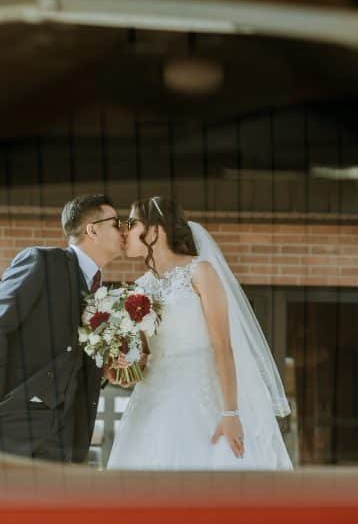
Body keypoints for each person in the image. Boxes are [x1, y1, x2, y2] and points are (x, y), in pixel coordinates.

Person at [107, 197, 293, 470]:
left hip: (200, 396)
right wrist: (128, 365)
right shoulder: (139, 288)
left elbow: (223, 347)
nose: (125, 230)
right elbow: (146, 354)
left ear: (156, 231)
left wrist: (231, 412)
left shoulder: (200, 272)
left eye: (133, 223)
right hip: (153, 399)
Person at [0, 194, 124, 462]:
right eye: (117, 223)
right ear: (93, 230)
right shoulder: (41, 261)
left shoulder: (102, 291)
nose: (124, 230)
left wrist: (107, 367)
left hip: (66, 432)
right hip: (12, 420)